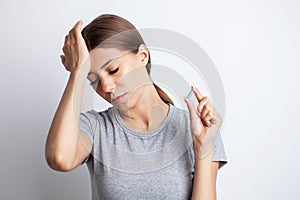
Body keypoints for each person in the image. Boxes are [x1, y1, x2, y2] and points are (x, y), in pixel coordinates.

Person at [45, 14, 228, 200]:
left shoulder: (198, 128)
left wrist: (202, 147)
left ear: (142, 56)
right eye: (93, 80)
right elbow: (59, 158)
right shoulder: (95, 128)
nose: (106, 87)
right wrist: (77, 73)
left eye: (113, 70)